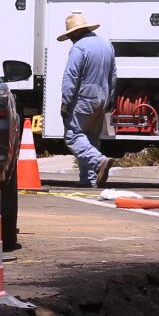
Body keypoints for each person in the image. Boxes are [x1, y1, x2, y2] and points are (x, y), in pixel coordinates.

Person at [57, 12, 114, 188]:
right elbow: (113, 74)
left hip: (84, 97)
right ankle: (89, 179)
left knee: (73, 136)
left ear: (74, 33)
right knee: (90, 137)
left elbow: (71, 76)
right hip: (103, 97)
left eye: (70, 36)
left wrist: (66, 102)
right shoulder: (106, 44)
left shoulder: (79, 48)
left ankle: (98, 162)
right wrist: (110, 97)